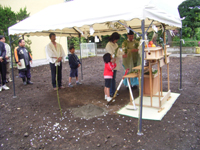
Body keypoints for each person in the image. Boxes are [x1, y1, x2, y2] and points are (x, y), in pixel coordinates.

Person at [105, 32, 123, 97]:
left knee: (113, 78)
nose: (116, 41)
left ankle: (113, 92)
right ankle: (111, 92)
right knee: (111, 79)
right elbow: (111, 55)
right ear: (113, 38)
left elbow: (118, 52)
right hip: (110, 65)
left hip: (114, 64)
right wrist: (120, 56)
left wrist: (123, 54)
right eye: (116, 39)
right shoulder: (108, 45)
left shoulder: (115, 44)